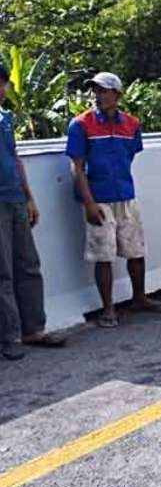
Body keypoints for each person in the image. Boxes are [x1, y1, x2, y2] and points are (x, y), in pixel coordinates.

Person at [65, 72, 161, 328]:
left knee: (136, 250)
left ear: (117, 95)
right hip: (98, 198)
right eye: (95, 91)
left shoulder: (132, 125)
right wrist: (88, 202)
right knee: (104, 254)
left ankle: (139, 297)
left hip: (125, 193)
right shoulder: (81, 124)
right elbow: (76, 167)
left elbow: (130, 156)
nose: (97, 96)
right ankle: (109, 308)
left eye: (103, 91)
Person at [0, 64, 65, 360]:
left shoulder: (5, 119)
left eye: (3, 84)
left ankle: (33, 328)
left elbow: (15, 159)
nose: (2, 90)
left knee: (27, 264)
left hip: (14, 198)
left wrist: (29, 198)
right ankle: (10, 336)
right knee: (3, 273)